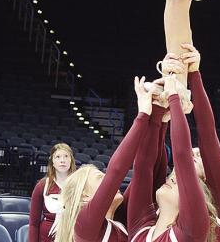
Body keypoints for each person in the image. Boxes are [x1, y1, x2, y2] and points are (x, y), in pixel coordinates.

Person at [129, 45, 220, 242]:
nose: (195, 153)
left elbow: (206, 135)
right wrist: (162, 102)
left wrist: (186, 85)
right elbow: (145, 165)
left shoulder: (214, 207)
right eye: (195, 153)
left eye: (200, 157)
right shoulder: (150, 219)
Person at [54, 76, 167, 242]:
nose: (108, 181)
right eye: (101, 178)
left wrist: (159, 116)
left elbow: (148, 171)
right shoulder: (84, 225)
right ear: (84, 196)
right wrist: (142, 115)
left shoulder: (119, 216)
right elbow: (116, 171)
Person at [29, 143, 76, 242]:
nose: (62, 160)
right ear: (52, 162)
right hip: (46, 238)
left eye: (66, 156)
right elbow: (33, 223)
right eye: (58, 157)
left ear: (71, 160)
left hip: (71, 236)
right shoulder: (41, 186)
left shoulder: (79, 186)